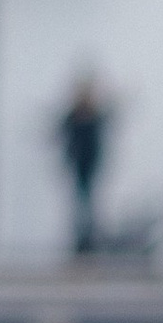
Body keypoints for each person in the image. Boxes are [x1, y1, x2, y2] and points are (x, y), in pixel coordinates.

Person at [55, 72, 114, 255]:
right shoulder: (74, 115)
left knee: (88, 204)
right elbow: (63, 133)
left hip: (90, 166)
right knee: (81, 204)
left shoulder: (95, 115)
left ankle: (89, 240)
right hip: (78, 166)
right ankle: (82, 240)